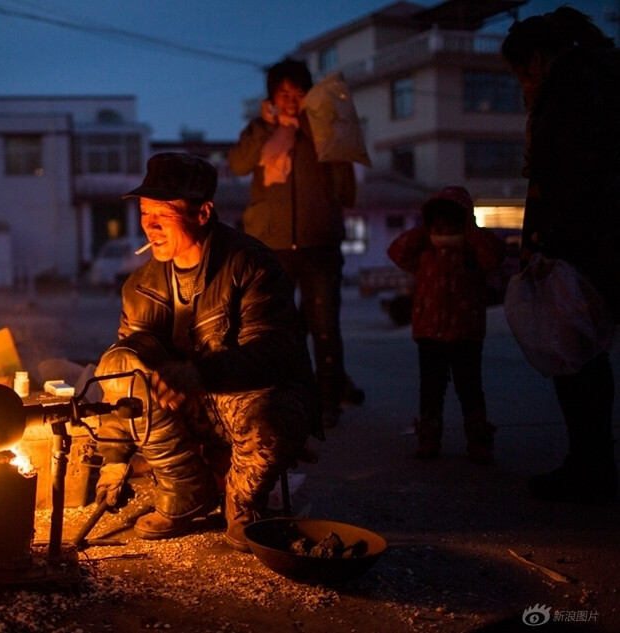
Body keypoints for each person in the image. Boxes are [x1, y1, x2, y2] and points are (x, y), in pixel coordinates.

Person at [92, 152, 322, 552]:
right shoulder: (141, 286)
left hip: (246, 400)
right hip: (186, 410)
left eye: (163, 213)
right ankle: (185, 488)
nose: (151, 225)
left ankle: (244, 503)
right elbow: (122, 378)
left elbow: (274, 354)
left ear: (203, 213)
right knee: (116, 360)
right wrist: (114, 458)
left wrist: (200, 372)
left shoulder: (251, 266)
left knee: (272, 418)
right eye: (146, 213)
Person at [502, 7, 619, 504]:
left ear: (539, 58)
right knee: (587, 356)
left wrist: (546, 242)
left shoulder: (570, 94)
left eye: (524, 74)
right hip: (599, 241)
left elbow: (564, 178)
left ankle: (589, 467)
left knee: (579, 357)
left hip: (584, 245)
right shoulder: (599, 82)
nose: (523, 85)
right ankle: (591, 463)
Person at [227, 57, 360, 429]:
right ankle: (284, 396)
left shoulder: (321, 127)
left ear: (307, 94)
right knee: (276, 329)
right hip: (272, 246)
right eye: (282, 92)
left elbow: (345, 174)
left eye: (297, 91)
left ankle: (329, 399)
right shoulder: (259, 129)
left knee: (325, 326)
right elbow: (238, 165)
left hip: (320, 243)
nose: (289, 99)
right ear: (271, 96)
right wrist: (265, 129)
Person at [387, 186, 505, 463]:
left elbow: (495, 254)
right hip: (429, 333)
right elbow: (397, 250)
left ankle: (478, 440)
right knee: (430, 390)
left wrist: (469, 232)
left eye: (452, 220)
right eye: (439, 220)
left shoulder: (474, 254)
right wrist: (424, 231)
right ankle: (429, 437)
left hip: (466, 333)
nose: (445, 227)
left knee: (470, 389)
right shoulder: (426, 255)